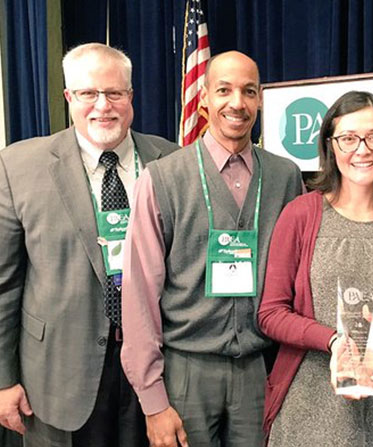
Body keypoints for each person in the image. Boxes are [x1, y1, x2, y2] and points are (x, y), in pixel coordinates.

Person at [120, 50, 304, 447]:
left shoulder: (286, 177)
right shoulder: (163, 178)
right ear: (203, 97)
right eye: (224, 90)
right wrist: (153, 401)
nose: (236, 103)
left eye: (248, 91)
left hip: (261, 368)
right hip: (185, 371)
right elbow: (139, 294)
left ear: (259, 100)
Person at [0, 43, 178, 447]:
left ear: (131, 97)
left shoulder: (171, 161)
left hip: (155, 371)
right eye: (88, 93)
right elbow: (4, 285)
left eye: (115, 93)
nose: (103, 105)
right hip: (57, 376)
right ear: (69, 97)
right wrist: (2, 380)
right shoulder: (17, 167)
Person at [258, 91, 373, 447]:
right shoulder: (300, 215)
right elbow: (271, 313)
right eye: (348, 138)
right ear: (330, 145)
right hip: (312, 395)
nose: (363, 150)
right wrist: (332, 341)